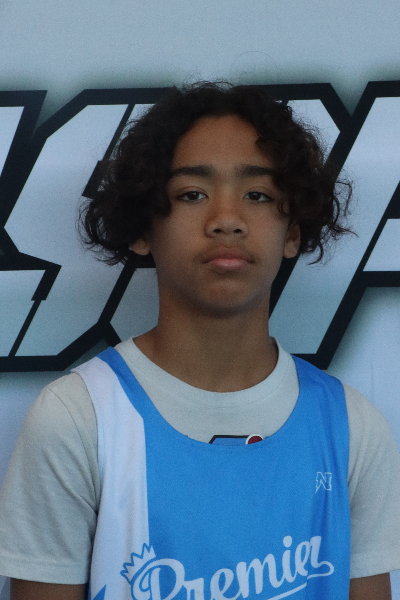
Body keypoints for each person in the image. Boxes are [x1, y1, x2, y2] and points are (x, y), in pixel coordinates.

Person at [0, 82, 399, 600]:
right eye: (192, 194)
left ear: (293, 232)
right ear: (143, 227)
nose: (226, 219)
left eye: (257, 195)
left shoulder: (351, 427)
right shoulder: (76, 419)